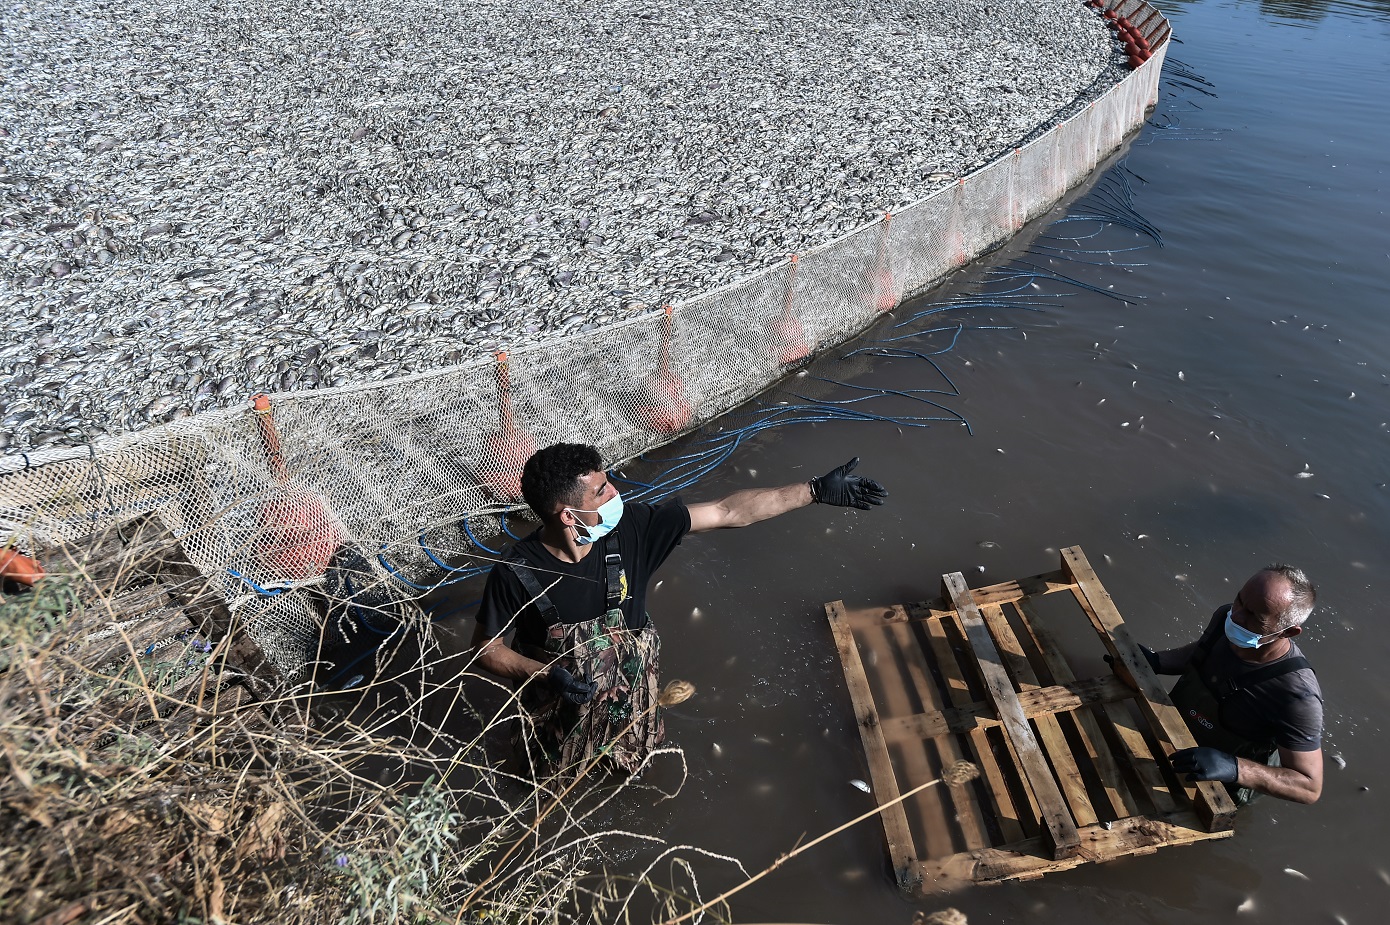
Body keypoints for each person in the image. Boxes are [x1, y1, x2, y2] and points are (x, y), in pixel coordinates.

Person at [469, 443, 887, 778]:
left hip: (631, 713)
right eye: (602, 491)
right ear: (566, 515)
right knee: (541, 790)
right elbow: (486, 650)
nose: (616, 492)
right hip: (557, 719)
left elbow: (727, 511)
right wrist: (545, 674)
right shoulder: (517, 572)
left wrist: (813, 491)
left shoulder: (632, 528)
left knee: (633, 777)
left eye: (609, 481)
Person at [1134, 565, 1323, 805]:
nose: (1237, 616)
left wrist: (1234, 768)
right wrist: (1155, 661)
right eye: (1239, 600)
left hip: (1214, 786)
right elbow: (1201, 652)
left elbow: (1309, 787)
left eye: (1255, 616)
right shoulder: (1226, 617)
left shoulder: (1297, 696)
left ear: (1289, 632)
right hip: (1169, 736)